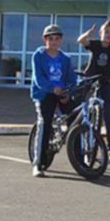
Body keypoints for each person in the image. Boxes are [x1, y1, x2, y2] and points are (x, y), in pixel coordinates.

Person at [30, 24, 77, 177]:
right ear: (45, 39)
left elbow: (71, 79)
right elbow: (39, 80)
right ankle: (38, 163)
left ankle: (79, 157)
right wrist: (52, 89)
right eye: (50, 38)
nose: (54, 42)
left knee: (76, 118)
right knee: (45, 122)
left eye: (57, 38)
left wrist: (67, 92)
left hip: (61, 93)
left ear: (61, 40)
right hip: (45, 93)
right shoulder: (38, 55)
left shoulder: (65, 58)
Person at [77, 21, 110, 164]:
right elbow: (81, 40)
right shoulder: (95, 44)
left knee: (109, 115)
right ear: (101, 33)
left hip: (105, 80)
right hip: (90, 78)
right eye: (106, 32)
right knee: (77, 100)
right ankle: (77, 139)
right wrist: (88, 35)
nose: (109, 35)